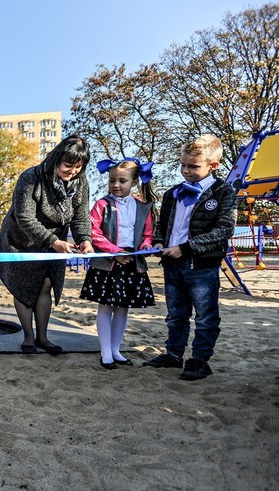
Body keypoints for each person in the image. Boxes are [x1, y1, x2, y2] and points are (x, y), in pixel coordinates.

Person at [143, 135, 237, 380]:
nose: (186, 170)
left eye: (193, 166)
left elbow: (223, 230)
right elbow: (163, 224)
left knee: (205, 317)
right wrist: (159, 241)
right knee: (176, 314)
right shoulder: (172, 193)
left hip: (202, 266)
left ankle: (199, 360)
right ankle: (173, 354)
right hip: (172, 263)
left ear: (213, 166)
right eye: (183, 165)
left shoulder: (224, 192)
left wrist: (186, 248)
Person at [0, 135, 94, 355]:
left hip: (54, 242)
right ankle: (28, 337)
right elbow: (24, 217)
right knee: (23, 287)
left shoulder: (81, 183)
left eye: (78, 167)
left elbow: (80, 216)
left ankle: (43, 337)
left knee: (46, 284)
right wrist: (52, 241)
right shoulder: (31, 177)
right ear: (57, 159)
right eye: (69, 165)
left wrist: (84, 239)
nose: (73, 171)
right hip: (20, 240)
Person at [79, 158, 158, 369]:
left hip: (132, 262)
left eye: (122, 180)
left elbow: (148, 233)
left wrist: (147, 245)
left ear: (133, 182)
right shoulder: (102, 204)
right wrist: (115, 253)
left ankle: (116, 350)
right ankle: (105, 352)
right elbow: (94, 233)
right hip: (108, 263)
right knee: (105, 307)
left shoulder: (143, 207)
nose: (116, 185)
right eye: (112, 180)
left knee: (123, 308)